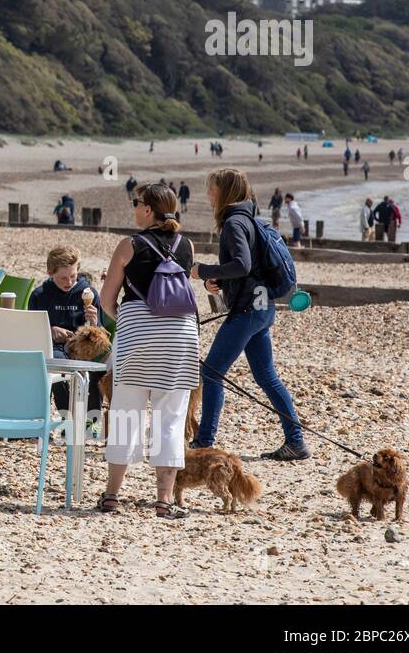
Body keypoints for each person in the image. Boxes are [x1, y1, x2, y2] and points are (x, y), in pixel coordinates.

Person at [190, 168, 309, 461]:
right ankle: (296, 442)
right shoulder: (251, 219)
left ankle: (203, 442)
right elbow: (247, 269)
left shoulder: (234, 222)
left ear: (224, 192)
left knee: (212, 372)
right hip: (262, 308)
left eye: (211, 188)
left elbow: (241, 265)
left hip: (247, 311)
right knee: (266, 376)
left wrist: (202, 270)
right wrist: (215, 281)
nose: (208, 194)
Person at [96, 183, 199, 517]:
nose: (133, 207)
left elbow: (106, 299)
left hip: (137, 333)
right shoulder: (187, 245)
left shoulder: (129, 245)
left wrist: (125, 318)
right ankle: (164, 501)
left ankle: (112, 496)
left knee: (126, 413)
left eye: (136, 203)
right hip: (180, 336)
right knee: (170, 417)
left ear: (149, 210)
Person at [27, 246, 105, 418]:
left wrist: (93, 322)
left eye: (73, 276)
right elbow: (30, 333)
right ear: (50, 273)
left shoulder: (89, 293)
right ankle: (67, 421)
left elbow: (100, 335)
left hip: (83, 347)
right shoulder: (40, 295)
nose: (69, 282)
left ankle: (92, 422)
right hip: (54, 348)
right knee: (56, 364)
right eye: (63, 278)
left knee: (95, 368)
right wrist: (50, 330)